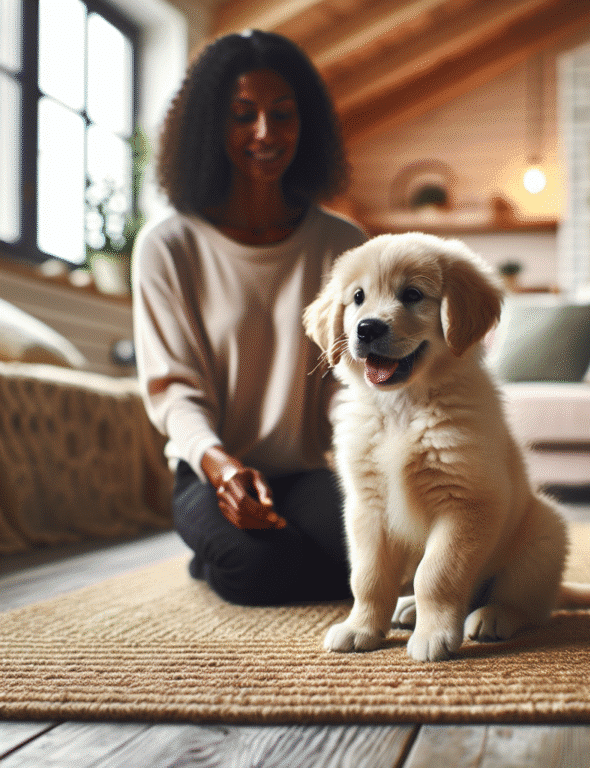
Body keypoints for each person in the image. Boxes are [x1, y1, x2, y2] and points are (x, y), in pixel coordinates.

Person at [132, 30, 367, 605]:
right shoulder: (168, 247)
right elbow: (174, 394)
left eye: (282, 114)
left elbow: (349, 382)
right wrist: (220, 468)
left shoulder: (343, 244)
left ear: (305, 123)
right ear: (211, 128)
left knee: (392, 555)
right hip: (209, 471)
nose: (266, 132)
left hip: (308, 473)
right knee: (258, 573)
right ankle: (216, 549)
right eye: (243, 115)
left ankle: (247, 554)